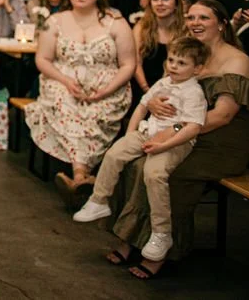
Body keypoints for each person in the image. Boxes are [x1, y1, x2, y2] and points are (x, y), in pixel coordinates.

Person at [106, 0, 249, 279]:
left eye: (204, 18)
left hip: (220, 142)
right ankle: (134, 240)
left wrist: (173, 133)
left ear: (222, 24)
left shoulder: (237, 60)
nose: (195, 23)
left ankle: (161, 252)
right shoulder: (186, 53)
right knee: (134, 164)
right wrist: (152, 105)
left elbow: (223, 116)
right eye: (191, 17)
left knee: (165, 172)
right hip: (181, 132)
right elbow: (163, 91)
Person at [73, 36, 209, 262]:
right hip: (147, 134)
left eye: (181, 63)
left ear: (198, 69)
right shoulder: (164, 83)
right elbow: (142, 106)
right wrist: (130, 136)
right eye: (171, 60)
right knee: (115, 153)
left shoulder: (193, 93)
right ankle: (99, 200)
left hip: (175, 142)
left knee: (154, 174)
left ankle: (161, 232)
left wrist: (164, 144)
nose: (173, 66)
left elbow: (193, 127)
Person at [25, 0, 136, 195]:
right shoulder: (54, 21)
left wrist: (106, 89)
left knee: (94, 113)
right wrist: (65, 80)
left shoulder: (116, 22)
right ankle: (81, 176)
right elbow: (43, 59)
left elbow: (128, 64)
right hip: (63, 83)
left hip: (107, 86)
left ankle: (78, 177)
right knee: (68, 106)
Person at [131, 0, 187, 109]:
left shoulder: (185, 29)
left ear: (176, 3)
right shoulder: (141, 27)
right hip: (143, 86)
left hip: (175, 89)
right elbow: (136, 63)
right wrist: (147, 91)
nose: (160, 3)